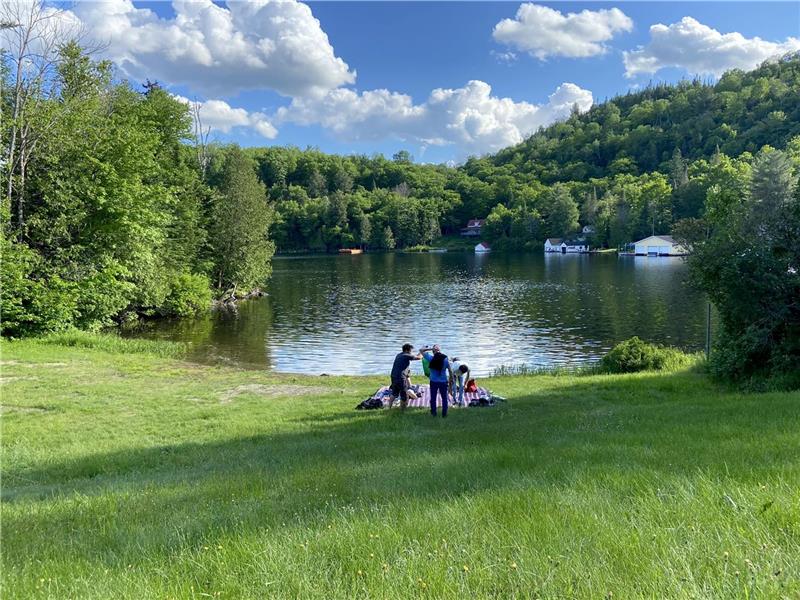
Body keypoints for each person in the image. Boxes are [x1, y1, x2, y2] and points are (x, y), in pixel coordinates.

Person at [423, 345, 453, 417]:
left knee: (433, 398)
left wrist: (431, 348)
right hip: (443, 381)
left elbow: (421, 350)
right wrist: (451, 379)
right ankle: (444, 414)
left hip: (433, 381)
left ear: (433, 352)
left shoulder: (431, 358)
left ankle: (433, 413)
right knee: (444, 398)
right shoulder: (445, 359)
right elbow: (450, 370)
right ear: (440, 351)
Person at [389, 343, 421, 409]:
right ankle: (403, 410)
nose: (411, 352)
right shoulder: (406, 355)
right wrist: (422, 353)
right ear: (407, 350)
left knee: (394, 393)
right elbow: (419, 358)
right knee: (404, 394)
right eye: (410, 350)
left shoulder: (399, 355)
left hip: (393, 376)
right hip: (400, 377)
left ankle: (389, 408)